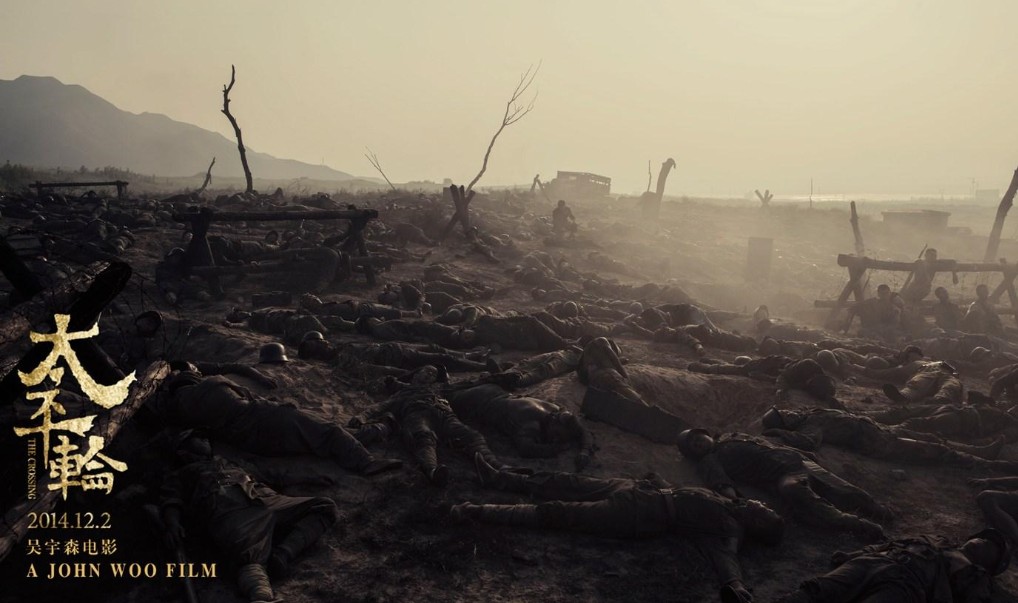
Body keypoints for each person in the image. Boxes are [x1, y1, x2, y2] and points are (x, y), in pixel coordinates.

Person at [453, 454, 784, 603]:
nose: (761, 504)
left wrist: (735, 585)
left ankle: (478, 511)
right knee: (565, 482)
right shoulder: (730, 503)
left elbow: (725, 557)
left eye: (764, 511)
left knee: (560, 513)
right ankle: (499, 478)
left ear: (758, 524)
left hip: (637, 515)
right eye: (765, 505)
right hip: (638, 489)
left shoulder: (730, 529)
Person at [160, 432, 338, 603]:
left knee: (324, 506)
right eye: (197, 438)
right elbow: (171, 499)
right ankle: (262, 596)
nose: (205, 440)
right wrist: (172, 523)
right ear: (182, 451)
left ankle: (283, 554)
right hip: (232, 512)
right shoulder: (182, 474)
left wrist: (310, 477)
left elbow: (272, 474)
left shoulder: (229, 463)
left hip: (267, 500)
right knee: (249, 560)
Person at [150, 363, 401, 476]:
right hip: (267, 420)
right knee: (329, 432)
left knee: (317, 442)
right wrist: (284, 406)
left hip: (250, 443)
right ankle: (365, 462)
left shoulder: (178, 410)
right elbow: (254, 398)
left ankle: (380, 429)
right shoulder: (215, 382)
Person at [676, 429, 888, 540]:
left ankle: (877, 508)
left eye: (698, 437)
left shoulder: (731, 435)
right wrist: (737, 502)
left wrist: (800, 451)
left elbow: (767, 444)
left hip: (796, 460)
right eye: (694, 445)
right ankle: (857, 524)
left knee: (841, 488)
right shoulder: (710, 460)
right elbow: (721, 483)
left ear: (705, 433)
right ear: (695, 453)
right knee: (792, 490)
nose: (699, 442)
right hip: (783, 475)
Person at [348, 371, 502, 487]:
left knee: (472, 435)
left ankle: (494, 464)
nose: (430, 375)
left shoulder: (440, 389)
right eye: (427, 371)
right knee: (423, 437)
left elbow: (467, 384)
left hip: (444, 414)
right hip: (417, 414)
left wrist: (488, 377)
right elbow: (380, 407)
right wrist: (362, 417)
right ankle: (432, 470)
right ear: (416, 375)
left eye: (433, 374)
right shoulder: (403, 392)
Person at [774, 530, 1010, 602]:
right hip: (874, 562)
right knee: (814, 591)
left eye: (992, 546)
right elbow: (888, 544)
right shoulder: (935, 540)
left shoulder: (977, 576)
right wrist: (852, 554)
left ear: (990, 564)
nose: (984, 541)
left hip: (907, 587)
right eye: (984, 537)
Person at [760, 407, 1007, 467]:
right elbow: (809, 443)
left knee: (929, 436)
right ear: (786, 424)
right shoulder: (809, 427)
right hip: (879, 444)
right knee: (932, 449)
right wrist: (779, 433)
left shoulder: (811, 414)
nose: (790, 413)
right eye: (785, 416)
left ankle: (977, 451)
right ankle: (980, 462)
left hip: (878, 429)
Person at [444, 383, 595, 469]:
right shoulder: (531, 424)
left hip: (496, 390)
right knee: (447, 396)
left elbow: (581, 429)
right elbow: (526, 449)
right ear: (554, 424)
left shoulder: (557, 412)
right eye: (556, 436)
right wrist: (557, 449)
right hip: (477, 402)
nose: (555, 439)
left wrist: (585, 451)